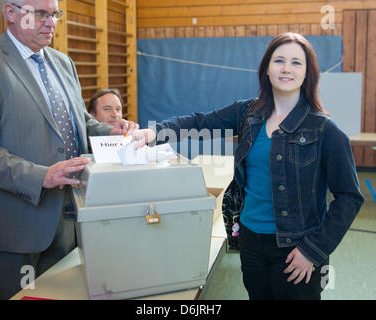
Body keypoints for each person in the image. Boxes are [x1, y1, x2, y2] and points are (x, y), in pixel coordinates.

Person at [131, 32, 364, 300]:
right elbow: (199, 122)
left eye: (296, 62)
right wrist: (154, 132)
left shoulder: (324, 129)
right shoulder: (249, 113)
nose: (286, 68)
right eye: (279, 60)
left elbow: (349, 197)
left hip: (295, 248)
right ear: (266, 68)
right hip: (252, 242)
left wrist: (313, 250)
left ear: (308, 73)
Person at [0, 0, 138, 299]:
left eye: (55, 14)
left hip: (68, 218)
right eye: (41, 14)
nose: (52, 23)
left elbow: (81, 121)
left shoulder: (62, 62)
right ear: (10, 13)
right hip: (14, 227)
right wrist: (39, 176)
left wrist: (114, 132)